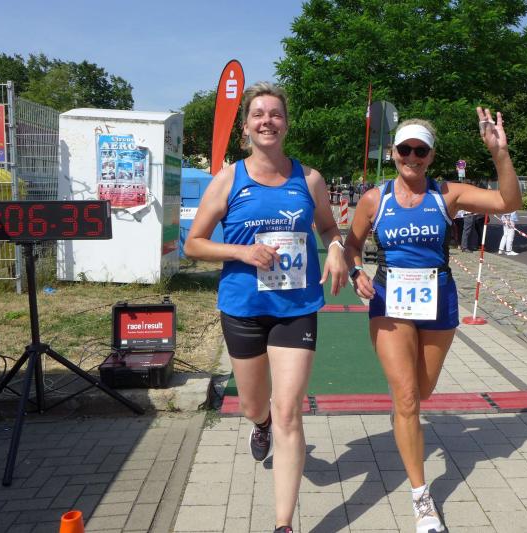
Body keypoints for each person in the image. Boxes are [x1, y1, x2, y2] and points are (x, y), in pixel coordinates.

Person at [344, 110, 521, 533]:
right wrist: (356, 271)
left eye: (420, 151)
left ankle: (404, 421)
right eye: (405, 149)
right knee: (407, 397)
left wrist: (500, 154)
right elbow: (351, 245)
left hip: (438, 300)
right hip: (389, 301)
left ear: (431, 156)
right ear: (393, 153)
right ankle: (422, 498)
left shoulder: (447, 194)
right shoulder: (375, 199)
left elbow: (508, 203)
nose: (412, 157)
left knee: (421, 392)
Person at [183, 81, 348, 533]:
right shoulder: (228, 179)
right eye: (258, 114)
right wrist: (242, 252)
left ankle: (283, 524)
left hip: (296, 306)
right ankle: (261, 423)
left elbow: (329, 228)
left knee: (290, 410)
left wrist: (336, 249)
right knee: (255, 405)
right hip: (243, 307)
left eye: (275, 114)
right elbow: (194, 244)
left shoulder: (309, 179)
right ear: (246, 127)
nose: (267, 121)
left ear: (286, 124)